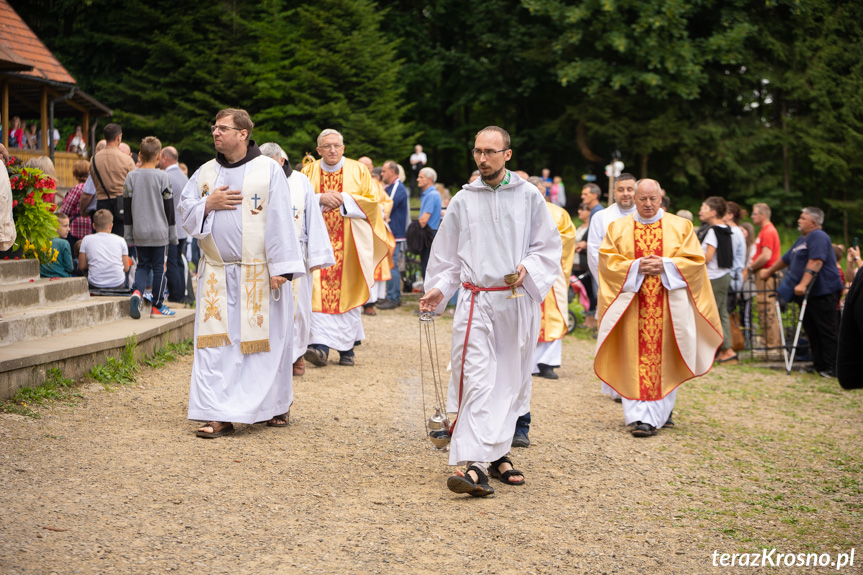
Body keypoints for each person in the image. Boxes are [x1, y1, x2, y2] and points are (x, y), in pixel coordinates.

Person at [419, 126, 562, 497]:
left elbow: (547, 247)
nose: (483, 159)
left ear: (507, 155)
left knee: (509, 382)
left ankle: (498, 455)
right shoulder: (464, 200)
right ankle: (473, 465)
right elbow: (448, 256)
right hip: (476, 301)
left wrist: (528, 268)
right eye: (478, 151)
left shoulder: (529, 196)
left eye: (491, 152)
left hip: (515, 302)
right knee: (477, 379)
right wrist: (439, 289)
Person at [177, 108, 305, 438]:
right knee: (215, 348)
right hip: (217, 274)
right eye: (214, 128)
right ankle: (217, 414)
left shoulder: (267, 170)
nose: (215, 133)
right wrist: (208, 204)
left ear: (243, 134)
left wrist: (282, 269)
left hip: (258, 275)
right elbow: (184, 211)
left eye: (223, 128)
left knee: (260, 347)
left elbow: (279, 220)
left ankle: (270, 405)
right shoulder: (205, 172)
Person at [595, 179, 723, 437]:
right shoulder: (618, 228)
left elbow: (695, 262)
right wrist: (634, 267)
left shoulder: (681, 226)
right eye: (642, 199)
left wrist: (666, 265)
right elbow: (607, 262)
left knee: (665, 359)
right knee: (633, 357)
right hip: (632, 308)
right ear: (635, 199)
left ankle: (658, 415)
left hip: (667, 308)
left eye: (653, 199)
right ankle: (638, 417)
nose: (648, 204)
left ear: (661, 197)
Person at [301, 129, 389, 368]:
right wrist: (319, 199)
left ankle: (347, 348)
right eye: (326, 146)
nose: (332, 150)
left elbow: (373, 204)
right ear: (318, 150)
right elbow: (297, 199)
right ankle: (319, 347)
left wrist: (344, 199)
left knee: (347, 293)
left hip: (349, 244)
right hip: (317, 244)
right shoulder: (308, 171)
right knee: (316, 294)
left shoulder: (358, 170)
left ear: (343, 148)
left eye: (336, 146)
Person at [259, 141, 334, 377]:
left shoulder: (300, 182)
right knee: (266, 307)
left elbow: (312, 217)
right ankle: (269, 356)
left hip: (297, 253)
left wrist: (317, 255)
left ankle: (298, 356)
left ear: (282, 161)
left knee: (299, 309)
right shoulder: (258, 179)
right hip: (264, 254)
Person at [759, 207, 843, 378]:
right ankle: (819, 365)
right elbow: (786, 259)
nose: (799, 220)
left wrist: (803, 283)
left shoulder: (818, 236)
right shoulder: (801, 240)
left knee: (827, 330)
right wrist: (768, 272)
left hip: (822, 291)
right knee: (811, 329)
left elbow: (816, 260)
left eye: (803, 218)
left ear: (813, 222)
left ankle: (833, 367)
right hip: (808, 295)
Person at [587, 173, 637, 398]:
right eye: (621, 189)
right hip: (612, 288)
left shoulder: (645, 216)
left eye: (629, 189)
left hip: (642, 288)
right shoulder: (602, 217)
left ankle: (636, 381)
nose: (625, 193)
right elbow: (594, 253)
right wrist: (606, 284)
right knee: (613, 334)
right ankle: (614, 385)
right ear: (613, 192)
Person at [124, 136, 178, 319]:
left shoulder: (130, 177)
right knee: (158, 268)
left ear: (139, 155)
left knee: (142, 266)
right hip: (159, 231)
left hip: (139, 231)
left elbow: (127, 209)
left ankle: (137, 292)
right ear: (159, 156)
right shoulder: (163, 177)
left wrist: (129, 234)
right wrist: (173, 233)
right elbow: (169, 208)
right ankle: (157, 306)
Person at [698, 196, 737, 363]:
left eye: (704, 208)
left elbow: (708, 257)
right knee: (721, 313)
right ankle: (726, 348)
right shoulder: (725, 229)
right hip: (723, 275)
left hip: (714, 277)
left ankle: (719, 350)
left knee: (710, 313)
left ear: (713, 212)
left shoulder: (713, 231)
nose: (701, 211)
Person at [746, 203, 782, 357]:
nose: (752, 216)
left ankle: (772, 346)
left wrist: (751, 267)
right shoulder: (766, 231)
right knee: (764, 308)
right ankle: (771, 344)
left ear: (763, 215)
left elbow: (766, 256)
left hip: (766, 274)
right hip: (764, 273)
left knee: (767, 308)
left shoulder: (768, 231)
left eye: (754, 214)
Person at [159, 146, 193, 304]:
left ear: (165, 158)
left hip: (171, 227)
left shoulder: (167, 177)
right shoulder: (183, 176)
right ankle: (181, 295)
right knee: (178, 261)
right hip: (183, 228)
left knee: (171, 262)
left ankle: (176, 295)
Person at [89, 124, 135, 238]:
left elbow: (95, 181)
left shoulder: (94, 159)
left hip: (102, 203)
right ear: (119, 137)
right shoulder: (127, 159)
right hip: (122, 203)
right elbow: (134, 185)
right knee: (120, 240)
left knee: (102, 239)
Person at [378, 160, 409, 309]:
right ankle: (389, 295)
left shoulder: (397, 187)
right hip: (390, 232)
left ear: (392, 172)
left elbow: (387, 204)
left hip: (395, 233)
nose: (382, 174)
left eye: (384, 171)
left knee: (393, 266)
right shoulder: (389, 187)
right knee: (390, 265)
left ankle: (394, 298)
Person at [78, 209, 130, 289]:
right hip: (118, 283)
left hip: (95, 283)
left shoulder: (86, 239)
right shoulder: (121, 240)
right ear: (111, 226)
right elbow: (126, 268)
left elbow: (81, 266)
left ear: (94, 226)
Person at [60, 160, 92, 252]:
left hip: (76, 228)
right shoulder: (93, 187)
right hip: (89, 227)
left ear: (76, 174)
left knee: (74, 254)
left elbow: (66, 210)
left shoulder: (78, 188)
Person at [417, 167, 442, 280]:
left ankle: (428, 294)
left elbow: (424, 220)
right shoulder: (430, 194)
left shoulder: (431, 195)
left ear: (429, 179)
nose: (418, 179)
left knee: (427, 266)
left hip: (428, 234)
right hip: (430, 233)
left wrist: (412, 233)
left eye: (421, 177)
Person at [40, 213, 74, 278]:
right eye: (65, 226)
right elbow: (70, 268)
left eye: (68, 225)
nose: (68, 229)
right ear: (55, 227)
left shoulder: (40, 241)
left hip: (42, 277)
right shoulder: (64, 243)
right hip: (61, 277)